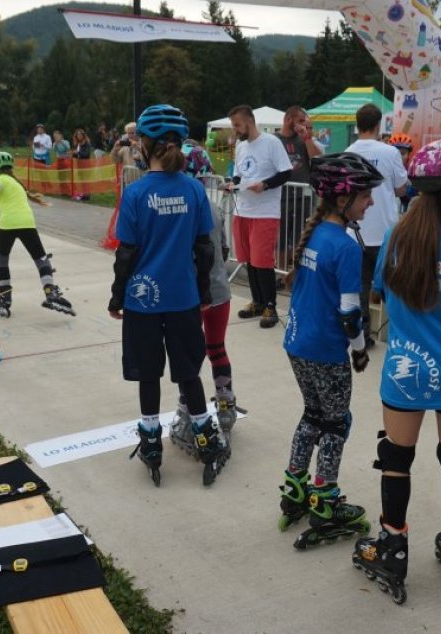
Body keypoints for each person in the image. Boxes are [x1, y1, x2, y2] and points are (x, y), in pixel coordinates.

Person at [351, 139, 441, 605]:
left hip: (406, 369)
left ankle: (392, 547)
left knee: (397, 457)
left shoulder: (396, 238)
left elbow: (376, 296)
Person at [107, 104, 225, 487]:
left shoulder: (136, 193)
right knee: (188, 372)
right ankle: (207, 440)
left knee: (148, 373)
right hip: (184, 299)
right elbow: (205, 248)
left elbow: (126, 252)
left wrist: (117, 296)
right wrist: (205, 292)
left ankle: (152, 441)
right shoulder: (194, 189)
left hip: (143, 300)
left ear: (144, 145)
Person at [277, 152, 380, 549]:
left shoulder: (317, 232)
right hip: (325, 349)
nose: (370, 202)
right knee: (337, 424)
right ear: (343, 200)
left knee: (313, 415)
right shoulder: (347, 246)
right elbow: (351, 312)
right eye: (365, 196)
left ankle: (295, 487)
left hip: (298, 342)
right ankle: (325, 503)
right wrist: (359, 350)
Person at [170, 139, 239, 453]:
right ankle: (225, 405)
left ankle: (188, 411)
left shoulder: (178, 206)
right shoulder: (211, 206)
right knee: (216, 349)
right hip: (219, 291)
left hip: (191, 294)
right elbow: (223, 249)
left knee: (188, 356)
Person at [0, 152, 74, 318]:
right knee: (41, 258)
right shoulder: (16, 183)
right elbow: (14, 210)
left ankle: (5, 300)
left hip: (8, 226)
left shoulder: (1, 179)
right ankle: (51, 294)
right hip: (27, 223)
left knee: (1, 260)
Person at [344, 103, 409, 348]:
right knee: (391, 287)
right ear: (378, 124)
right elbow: (401, 188)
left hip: (356, 230)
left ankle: (362, 335)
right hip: (385, 231)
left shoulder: (349, 151)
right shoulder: (390, 152)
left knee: (358, 286)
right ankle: (396, 337)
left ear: (358, 124)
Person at [227, 104, 293, 328]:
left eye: (237, 125)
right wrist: (232, 184)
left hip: (265, 212)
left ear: (249, 121)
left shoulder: (271, 142)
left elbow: (286, 172)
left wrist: (264, 185)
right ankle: (257, 301)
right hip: (242, 209)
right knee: (248, 259)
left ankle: (270, 306)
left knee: (262, 260)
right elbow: (238, 175)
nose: (235, 130)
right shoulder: (241, 145)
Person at [275, 106, 323, 275]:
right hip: (281, 197)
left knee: (301, 236)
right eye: (301, 121)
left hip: (303, 196)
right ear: (289, 120)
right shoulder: (275, 140)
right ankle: (280, 274)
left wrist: (307, 138)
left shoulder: (304, 139)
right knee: (280, 238)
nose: (305, 124)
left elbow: (317, 158)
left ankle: (297, 273)